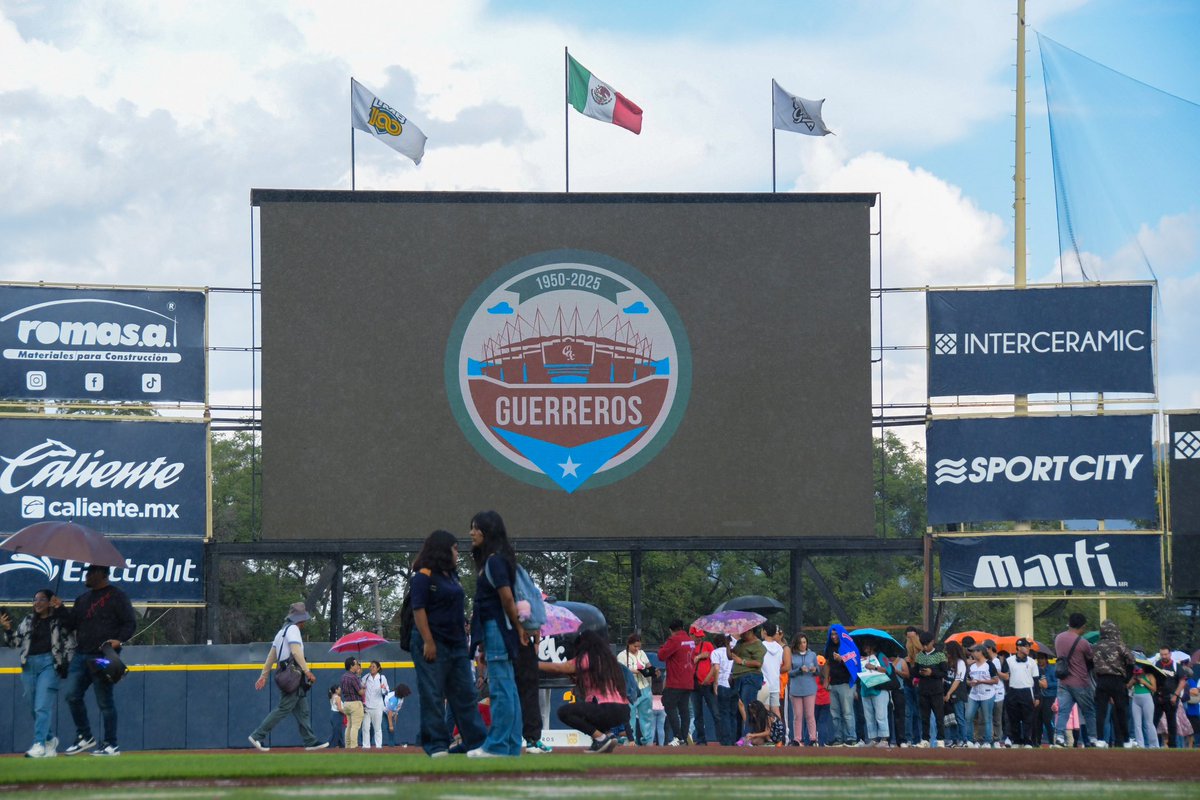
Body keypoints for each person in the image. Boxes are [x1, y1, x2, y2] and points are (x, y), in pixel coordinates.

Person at [410, 529, 487, 758]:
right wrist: (428, 641)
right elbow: (418, 609)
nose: (457, 553)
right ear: (442, 549)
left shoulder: (451, 576)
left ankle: (476, 742)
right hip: (432, 642)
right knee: (432, 695)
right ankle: (436, 745)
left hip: (456, 645)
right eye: (454, 548)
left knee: (465, 694)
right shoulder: (423, 575)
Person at [60, 564, 136, 757]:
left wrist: (119, 640)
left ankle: (111, 744)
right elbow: (69, 625)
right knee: (71, 695)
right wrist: (60, 608)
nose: (86, 576)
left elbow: (130, 623)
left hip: (103, 656)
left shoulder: (117, 596)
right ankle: (85, 737)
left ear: (101, 574)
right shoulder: (82, 600)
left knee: (105, 702)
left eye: (90, 572)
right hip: (81, 654)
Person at [468, 510, 527, 757]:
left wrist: (519, 627)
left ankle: (497, 745)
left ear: (488, 531)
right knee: (508, 688)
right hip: (500, 630)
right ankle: (511, 745)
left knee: (501, 690)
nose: (471, 533)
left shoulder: (494, 561)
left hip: (498, 629)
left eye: (476, 528)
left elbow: (506, 598)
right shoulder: (499, 559)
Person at [2, 589, 74, 758]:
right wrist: (7, 629)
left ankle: (39, 744)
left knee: (42, 706)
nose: (38, 603)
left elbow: (71, 635)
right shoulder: (28, 620)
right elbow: (15, 642)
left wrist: (65, 662)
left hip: (49, 664)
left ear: (50, 602)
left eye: (42, 599)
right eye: (35, 599)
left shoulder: (58, 621)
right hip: (28, 665)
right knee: (34, 707)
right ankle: (50, 739)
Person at [248, 601, 329, 751]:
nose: (304, 622)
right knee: (283, 708)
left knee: (302, 709)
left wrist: (263, 675)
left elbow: (271, 657)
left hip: (286, 674)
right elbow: (296, 652)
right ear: (300, 619)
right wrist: (307, 671)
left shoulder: (281, 632)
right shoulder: (293, 630)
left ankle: (310, 741)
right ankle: (257, 735)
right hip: (293, 675)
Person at [539, 629, 630, 753]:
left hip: (607, 708)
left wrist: (533, 664)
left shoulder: (589, 657)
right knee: (588, 709)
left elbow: (559, 667)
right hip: (623, 710)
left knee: (564, 712)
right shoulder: (608, 660)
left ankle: (601, 738)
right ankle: (607, 735)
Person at [1053, 613, 1100, 748]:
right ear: (1082, 626)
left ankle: (1060, 737)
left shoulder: (1058, 638)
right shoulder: (1083, 643)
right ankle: (1093, 738)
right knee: (1089, 711)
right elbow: (1091, 658)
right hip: (1080, 682)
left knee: (1063, 711)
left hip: (1063, 680)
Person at [1092, 620, 1135, 748]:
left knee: (1101, 711)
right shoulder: (1119, 644)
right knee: (1122, 710)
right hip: (1117, 680)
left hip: (1101, 680)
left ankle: (1100, 739)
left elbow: (1092, 663)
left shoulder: (1096, 645)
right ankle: (1126, 740)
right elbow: (1131, 659)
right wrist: (1126, 678)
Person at [657, 619, 696, 746]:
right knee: (684, 709)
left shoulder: (674, 640)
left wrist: (664, 645)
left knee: (669, 705)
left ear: (671, 630)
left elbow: (661, 655)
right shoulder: (690, 640)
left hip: (675, 681)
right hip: (688, 680)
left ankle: (678, 736)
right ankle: (684, 737)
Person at [616, 633, 655, 745]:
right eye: (635, 646)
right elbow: (620, 671)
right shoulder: (622, 656)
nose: (637, 649)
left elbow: (649, 666)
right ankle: (630, 740)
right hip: (630, 690)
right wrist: (634, 670)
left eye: (639, 646)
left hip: (645, 688)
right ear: (629, 644)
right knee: (630, 717)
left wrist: (652, 671)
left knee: (646, 717)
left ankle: (647, 742)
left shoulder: (642, 653)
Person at [731, 625, 767, 741]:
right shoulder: (740, 643)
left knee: (748, 706)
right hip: (737, 678)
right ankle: (737, 737)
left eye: (743, 631)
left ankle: (748, 736)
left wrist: (742, 661)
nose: (740, 634)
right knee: (736, 709)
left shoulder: (758, 645)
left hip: (751, 677)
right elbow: (731, 656)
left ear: (750, 631)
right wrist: (727, 645)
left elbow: (758, 663)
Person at [1002, 638, 1041, 747]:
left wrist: (1037, 696)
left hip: (1027, 691)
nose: (1028, 648)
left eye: (1029, 646)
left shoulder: (1032, 662)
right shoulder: (1009, 660)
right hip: (1013, 691)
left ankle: (1028, 741)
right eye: (1026, 646)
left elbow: (1036, 680)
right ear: (1018, 647)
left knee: (1028, 718)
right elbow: (1005, 677)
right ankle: (1017, 740)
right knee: (1013, 718)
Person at [913, 630, 946, 747]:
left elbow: (944, 673)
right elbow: (914, 672)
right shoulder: (919, 656)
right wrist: (920, 672)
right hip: (923, 690)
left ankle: (941, 739)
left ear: (933, 642)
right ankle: (925, 739)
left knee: (939, 716)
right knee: (924, 717)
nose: (925, 647)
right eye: (923, 645)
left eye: (927, 644)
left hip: (936, 690)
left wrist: (932, 672)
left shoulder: (940, 655)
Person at [787, 633, 819, 747]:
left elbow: (818, 671)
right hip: (796, 689)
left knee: (810, 715)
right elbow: (789, 673)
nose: (803, 645)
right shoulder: (791, 655)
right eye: (800, 642)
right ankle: (797, 739)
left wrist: (814, 669)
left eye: (804, 642)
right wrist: (799, 670)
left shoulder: (812, 655)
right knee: (798, 715)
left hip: (809, 688)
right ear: (796, 644)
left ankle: (813, 738)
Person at [964, 644, 999, 748]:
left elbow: (996, 680)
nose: (972, 653)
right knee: (968, 716)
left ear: (981, 652)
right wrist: (970, 682)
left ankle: (988, 741)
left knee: (987, 718)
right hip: (974, 694)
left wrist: (981, 681)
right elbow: (967, 679)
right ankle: (970, 740)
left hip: (987, 694)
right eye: (972, 651)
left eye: (974, 651)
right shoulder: (972, 666)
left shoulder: (989, 664)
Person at [858, 642, 891, 747]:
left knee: (881, 715)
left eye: (867, 644)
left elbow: (887, 670)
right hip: (865, 689)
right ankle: (873, 739)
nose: (865, 647)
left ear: (874, 645)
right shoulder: (862, 658)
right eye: (864, 645)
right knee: (869, 716)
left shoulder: (881, 656)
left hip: (879, 689)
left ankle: (884, 739)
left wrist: (874, 667)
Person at [690, 625, 718, 745]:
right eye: (696, 636)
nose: (699, 639)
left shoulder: (707, 645)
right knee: (697, 714)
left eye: (700, 636)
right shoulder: (688, 647)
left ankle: (722, 737)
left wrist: (700, 656)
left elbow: (711, 654)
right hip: (694, 684)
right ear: (691, 636)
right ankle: (701, 739)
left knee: (715, 712)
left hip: (707, 683)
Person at [1152, 646, 1184, 748]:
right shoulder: (1156, 664)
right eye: (1162, 654)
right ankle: (1153, 744)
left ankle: (1172, 745)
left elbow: (1182, 681)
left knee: (1171, 722)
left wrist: (1175, 695)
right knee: (1153, 721)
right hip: (1158, 697)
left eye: (1166, 654)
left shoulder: (1176, 666)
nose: (1164, 656)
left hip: (1171, 698)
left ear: (1170, 654)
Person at [710, 634, 738, 745]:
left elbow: (716, 668)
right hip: (733, 684)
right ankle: (734, 739)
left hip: (722, 684)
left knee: (724, 714)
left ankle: (726, 741)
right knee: (733, 714)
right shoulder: (733, 651)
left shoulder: (716, 652)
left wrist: (715, 684)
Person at [759, 623, 785, 739]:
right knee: (776, 710)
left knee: (765, 711)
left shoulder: (760, 646)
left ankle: (767, 735)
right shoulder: (779, 647)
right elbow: (780, 664)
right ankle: (780, 735)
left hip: (764, 683)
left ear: (764, 631)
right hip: (775, 682)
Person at [943, 641, 968, 748]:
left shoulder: (961, 662)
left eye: (947, 650)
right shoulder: (948, 662)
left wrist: (949, 693)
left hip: (957, 693)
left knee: (959, 717)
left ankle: (963, 740)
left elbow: (958, 680)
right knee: (951, 718)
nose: (945, 652)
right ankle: (953, 739)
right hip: (948, 692)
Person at [360, 660, 389, 747]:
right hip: (367, 707)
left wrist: (383, 689)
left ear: (378, 668)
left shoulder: (382, 678)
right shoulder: (366, 677)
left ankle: (378, 746)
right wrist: (362, 686)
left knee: (377, 728)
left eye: (373, 666)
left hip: (377, 707)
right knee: (365, 728)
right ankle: (366, 746)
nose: (371, 668)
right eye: (370, 666)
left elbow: (386, 692)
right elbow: (360, 689)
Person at [339, 656, 366, 748]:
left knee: (349, 726)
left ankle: (348, 745)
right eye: (355, 664)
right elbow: (360, 692)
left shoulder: (343, 676)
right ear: (351, 666)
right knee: (355, 727)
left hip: (346, 703)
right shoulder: (353, 677)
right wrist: (365, 688)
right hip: (355, 703)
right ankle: (354, 746)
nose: (357, 666)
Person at [1130, 663, 1158, 748]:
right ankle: (1140, 744)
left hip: (1147, 698)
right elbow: (1128, 686)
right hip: (1135, 699)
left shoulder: (1150, 676)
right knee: (1137, 723)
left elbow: (1154, 689)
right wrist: (1132, 681)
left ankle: (1154, 744)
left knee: (1149, 722)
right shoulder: (1134, 676)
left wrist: (1144, 682)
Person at [1033, 651, 1056, 747]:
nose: (1040, 660)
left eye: (1042, 658)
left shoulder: (1052, 669)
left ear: (1046, 659)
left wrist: (1045, 685)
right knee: (1038, 720)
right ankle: (1038, 742)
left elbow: (1057, 683)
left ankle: (1051, 741)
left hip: (1049, 696)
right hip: (1038, 696)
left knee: (1047, 719)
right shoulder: (1035, 669)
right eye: (1038, 658)